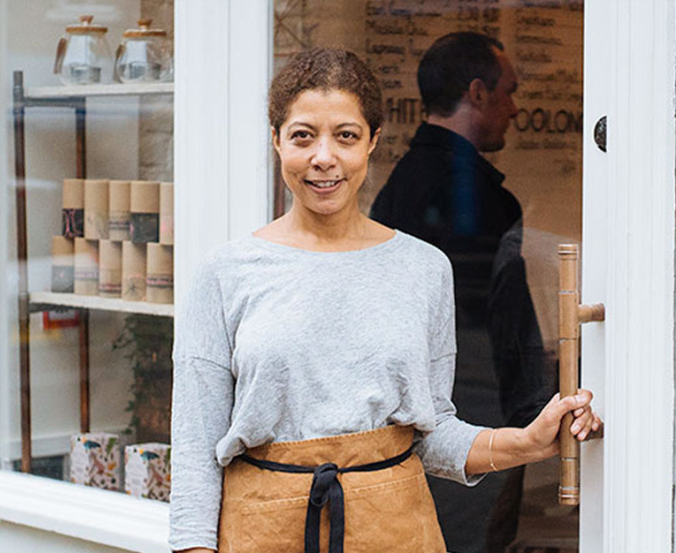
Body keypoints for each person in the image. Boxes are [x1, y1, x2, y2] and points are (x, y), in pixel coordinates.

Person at [169, 47, 599, 553]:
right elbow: (197, 451)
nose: (323, 157)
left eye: (345, 136)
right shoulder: (224, 274)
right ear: (276, 141)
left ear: (373, 140)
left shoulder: (424, 268)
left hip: (396, 529)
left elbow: (432, 433)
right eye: (303, 136)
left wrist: (525, 442)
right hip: (262, 530)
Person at [370, 32, 549, 552]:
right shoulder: (476, 200)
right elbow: (491, 324)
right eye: (508, 92)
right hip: (470, 415)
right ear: (477, 92)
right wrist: (530, 411)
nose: (516, 108)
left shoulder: (398, 187)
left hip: (411, 418)